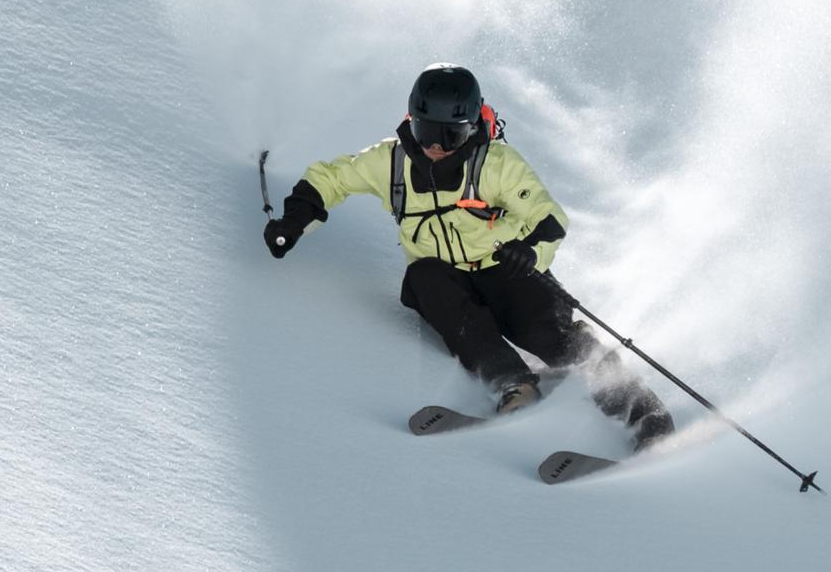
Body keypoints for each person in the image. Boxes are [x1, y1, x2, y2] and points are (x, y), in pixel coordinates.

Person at [264, 65, 671, 436]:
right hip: (449, 287)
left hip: (507, 271)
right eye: (427, 133)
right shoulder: (391, 162)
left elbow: (549, 218)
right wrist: (294, 220)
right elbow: (331, 179)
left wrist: (529, 252)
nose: (437, 146)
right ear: (412, 122)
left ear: (471, 126)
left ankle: (643, 411)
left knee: (550, 335)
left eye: (451, 135)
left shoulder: (496, 164)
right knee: (423, 276)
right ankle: (513, 383)